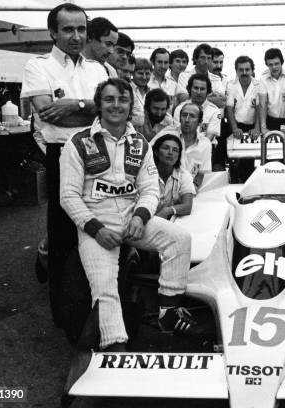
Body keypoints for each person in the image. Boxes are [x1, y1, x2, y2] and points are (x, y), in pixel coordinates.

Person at [60, 78, 199, 351]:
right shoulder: (76, 143)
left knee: (179, 239)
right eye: (110, 99)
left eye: (123, 100)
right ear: (99, 104)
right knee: (105, 287)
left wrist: (140, 217)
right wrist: (96, 229)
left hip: (131, 220)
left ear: (130, 105)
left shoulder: (141, 144)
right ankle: (115, 348)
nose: (116, 105)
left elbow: (149, 190)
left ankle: (168, 312)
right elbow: (68, 196)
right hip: (96, 227)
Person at [20, 2, 108, 326]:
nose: (76, 35)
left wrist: (76, 104)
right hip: (62, 156)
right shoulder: (38, 66)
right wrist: (90, 108)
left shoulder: (98, 70)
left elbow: (109, 111)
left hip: (97, 154)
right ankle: (63, 311)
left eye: (81, 29)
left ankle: (93, 302)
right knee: (63, 233)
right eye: (68, 29)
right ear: (53, 32)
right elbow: (46, 111)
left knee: (97, 226)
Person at [226, 55, 261, 181]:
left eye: (247, 69)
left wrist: (257, 128)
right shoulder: (231, 85)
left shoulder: (258, 85)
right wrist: (234, 128)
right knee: (234, 161)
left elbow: (259, 109)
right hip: (235, 125)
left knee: (248, 161)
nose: (244, 73)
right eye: (241, 70)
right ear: (236, 71)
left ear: (252, 70)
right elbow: (229, 108)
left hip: (252, 126)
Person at [150, 133, 195, 219]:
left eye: (175, 150)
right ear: (156, 152)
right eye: (166, 148)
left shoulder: (183, 175)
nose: (170, 152)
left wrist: (167, 211)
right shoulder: (146, 173)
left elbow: (187, 206)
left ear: (178, 156)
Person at [259, 48, 285, 136]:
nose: (274, 67)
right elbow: (263, 103)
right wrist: (263, 127)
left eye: (276, 64)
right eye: (270, 64)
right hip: (270, 120)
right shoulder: (263, 77)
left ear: (282, 62)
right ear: (267, 65)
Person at [173, 73, 222, 144]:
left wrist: (196, 149)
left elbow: (208, 139)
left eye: (202, 89)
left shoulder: (214, 111)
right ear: (190, 89)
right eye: (196, 88)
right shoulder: (180, 109)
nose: (198, 92)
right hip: (183, 147)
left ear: (207, 91)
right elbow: (178, 134)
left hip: (206, 149)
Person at [178, 102, 212, 190]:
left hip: (188, 190)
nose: (187, 120)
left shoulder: (205, 144)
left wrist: (190, 191)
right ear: (179, 118)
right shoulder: (167, 135)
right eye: (184, 115)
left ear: (200, 122)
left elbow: (199, 177)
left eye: (192, 116)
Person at [130, 57, 152, 130]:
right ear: (132, 73)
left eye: (147, 73)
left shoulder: (152, 92)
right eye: (140, 73)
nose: (144, 77)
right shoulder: (127, 89)